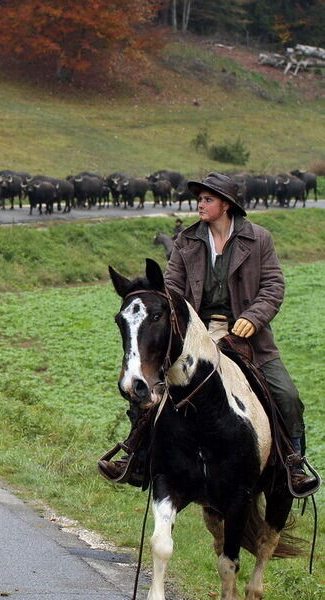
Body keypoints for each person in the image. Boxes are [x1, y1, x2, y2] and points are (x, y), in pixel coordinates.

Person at [98, 172, 318, 496]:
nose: (200, 204)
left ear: (226, 205)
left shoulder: (259, 239)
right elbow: (171, 290)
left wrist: (253, 318)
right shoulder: (186, 241)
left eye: (207, 199)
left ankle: (292, 465)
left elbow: (273, 286)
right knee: (154, 391)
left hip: (247, 337)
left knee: (287, 396)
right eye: (199, 199)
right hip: (196, 337)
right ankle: (136, 457)